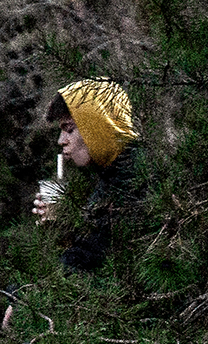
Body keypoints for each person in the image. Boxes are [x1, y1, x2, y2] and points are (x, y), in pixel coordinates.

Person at [33, 78, 140, 272]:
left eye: (70, 129)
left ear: (97, 127)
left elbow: (95, 264)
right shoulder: (109, 175)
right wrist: (62, 230)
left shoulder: (133, 179)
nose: (61, 141)